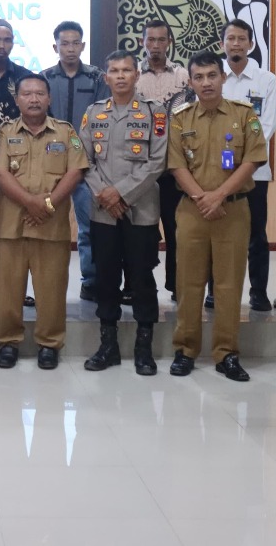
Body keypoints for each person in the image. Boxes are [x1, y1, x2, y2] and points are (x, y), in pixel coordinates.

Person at [166, 52, 267, 381]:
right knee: (189, 283)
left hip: (233, 210)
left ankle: (227, 353)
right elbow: (176, 165)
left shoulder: (244, 114)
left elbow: (252, 160)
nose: (206, 82)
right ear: (191, 81)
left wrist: (219, 196)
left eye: (212, 75)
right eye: (199, 77)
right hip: (192, 211)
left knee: (228, 284)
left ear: (223, 77)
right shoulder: (180, 118)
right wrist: (201, 198)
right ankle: (185, 349)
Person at [0, 74, 88, 369]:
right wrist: (30, 202)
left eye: (39, 94)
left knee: (52, 289)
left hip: (51, 224)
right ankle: (8, 342)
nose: (34, 99)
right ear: (17, 99)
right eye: (27, 94)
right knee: (7, 289)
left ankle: (49, 343)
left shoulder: (65, 132)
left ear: (49, 99)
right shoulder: (4, 132)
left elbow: (76, 171)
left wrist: (46, 204)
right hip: (10, 225)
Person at [80, 50, 167, 375]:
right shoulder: (93, 113)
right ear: (106, 78)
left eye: (126, 70)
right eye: (113, 70)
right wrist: (106, 194)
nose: (119, 76)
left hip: (140, 211)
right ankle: (108, 345)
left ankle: (143, 348)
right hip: (103, 211)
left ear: (136, 75)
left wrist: (121, 193)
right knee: (105, 278)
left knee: (142, 278)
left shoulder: (155, 113)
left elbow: (156, 162)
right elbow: (83, 159)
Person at [42, 20, 110, 302]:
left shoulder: (97, 78)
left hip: (85, 165)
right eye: (64, 43)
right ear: (55, 46)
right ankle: (46, 284)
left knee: (88, 228)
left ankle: (91, 281)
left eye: (75, 43)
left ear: (83, 45)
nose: (70, 49)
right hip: (50, 165)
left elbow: (102, 121)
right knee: (46, 225)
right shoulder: (44, 78)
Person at [218, 19, 276, 312]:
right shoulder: (214, 77)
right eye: (231, 39)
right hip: (216, 170)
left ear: (251, 44)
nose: (236, 44)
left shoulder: (266, 79)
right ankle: (215, 292)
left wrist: (244, 157)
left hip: (255, 170)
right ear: (222, 45)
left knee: (256, 233)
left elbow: (268, 124)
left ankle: (258, 292)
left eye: (242, 38)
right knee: (218, 232)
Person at [136, 19, 190, 300]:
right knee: (141, 233)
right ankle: (138, 287)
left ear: (168, 42)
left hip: (173, 167)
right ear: (143, 42)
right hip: (141, 167)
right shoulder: (133, 75)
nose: (155, 45)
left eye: (161, 40)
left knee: (174, 229)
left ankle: (176, 285)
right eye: (150, 40)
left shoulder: (182, 76)